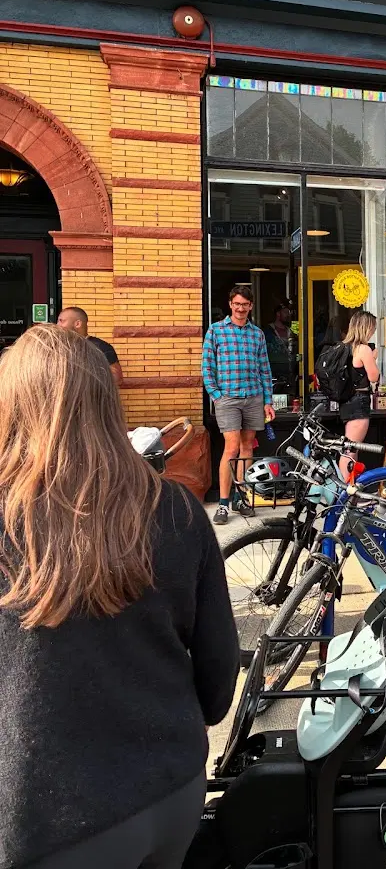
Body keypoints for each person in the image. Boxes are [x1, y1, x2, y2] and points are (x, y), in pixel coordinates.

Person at [0, 325, 239, 869]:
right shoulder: (176, 510)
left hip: (42, 816)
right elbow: (218, 681)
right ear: (107, 401)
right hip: (169, 788)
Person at [202, 285, 275, 525]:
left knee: (247, 448)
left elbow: (265, 369)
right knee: (231, 448)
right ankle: (223, 504)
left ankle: (241, 497)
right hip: (228, 398)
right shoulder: (216, 330)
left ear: (251, 306)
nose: (240, 308)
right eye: (237, 304)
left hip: (253, 396)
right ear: (230, 304)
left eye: (245, 304)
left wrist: (267, 400)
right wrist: (216, 395)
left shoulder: (257, 334)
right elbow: (207, 366)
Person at [338, 310, 380, 478]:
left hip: (347, 401)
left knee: (350, 447)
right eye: (373, 328)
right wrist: (374, 358)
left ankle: (350, 488)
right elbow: (373, 376)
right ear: (366, 328)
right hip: (359, 401)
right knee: (350, 450)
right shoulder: (364, 349)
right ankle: (347, 493)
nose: (374, 332)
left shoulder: (346, 346)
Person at [56, 306, 123, 385]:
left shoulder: (101, 347)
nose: (58, 325)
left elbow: (117, 379)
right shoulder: (60, 346)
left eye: (61, 321)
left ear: (77, 324)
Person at [264, 299, 297, 393]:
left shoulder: (291, 332)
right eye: (286, 312)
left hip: (290, 376)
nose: (288, 315)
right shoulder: (268, 332)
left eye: (289, 312)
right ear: (278, 314)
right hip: (273, 376)